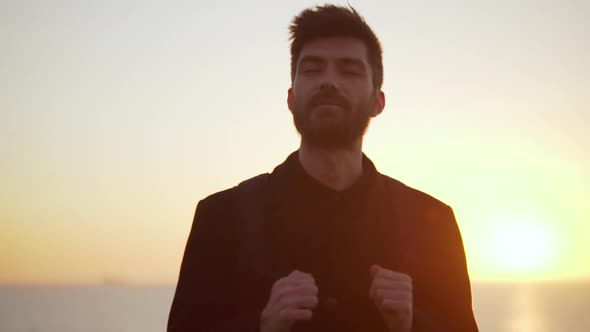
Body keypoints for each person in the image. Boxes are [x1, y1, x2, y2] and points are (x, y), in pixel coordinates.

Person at [168, 4, 479, 332]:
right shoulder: (222, 218)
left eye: (349, 71)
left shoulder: (431, 223)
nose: (328, 81)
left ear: (378, 101)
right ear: (290, 97)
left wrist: (411, 326)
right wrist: (261, 325)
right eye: (313, 69)